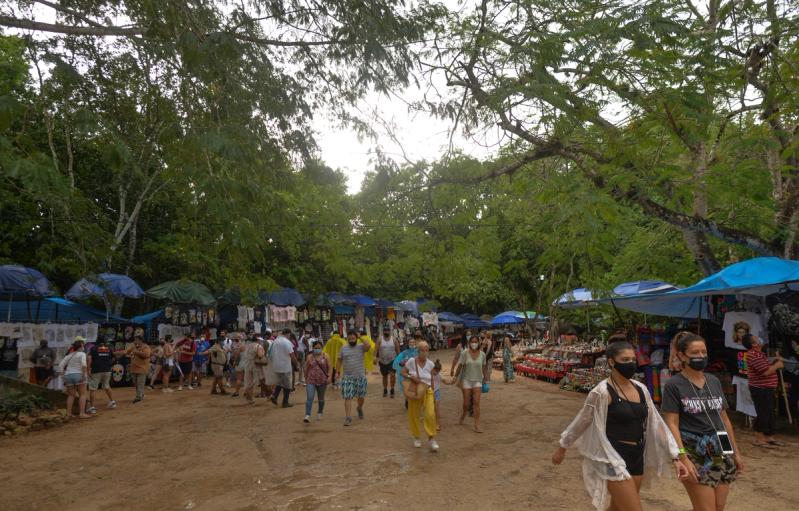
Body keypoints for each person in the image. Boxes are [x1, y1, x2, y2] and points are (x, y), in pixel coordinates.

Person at [551, 341, 688, 511]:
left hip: (637, 455)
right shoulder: (601, 392)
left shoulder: (641, 389)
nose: (631, 363)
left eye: (633, 359)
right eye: (625, 359)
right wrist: (562, 446)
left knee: (617, 508)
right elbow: (583, 420)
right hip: (612, 456)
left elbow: (655, 423)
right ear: (611, 361)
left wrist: (675, 456)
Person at [662, 332, 745, 511]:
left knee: (718, 506)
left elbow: (723, 418)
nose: (701, 356)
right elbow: (672, 424)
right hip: (693, 448)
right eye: (695, 353)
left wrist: (735, 452)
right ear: (682, 356)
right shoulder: (674, 385)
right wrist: (683, 457)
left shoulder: (714, 381)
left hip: (721, 444)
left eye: (704, 352)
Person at [743, 334, 784, 448]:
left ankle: (769, 437)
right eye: (757, 339)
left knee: (769, 413)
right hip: (760, 389)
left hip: (766, 388)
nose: (760, 339)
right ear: (753, 344)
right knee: (763, 413)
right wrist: (777, 365)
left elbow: (765, 367)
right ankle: (759, 438)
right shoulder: (753, 355)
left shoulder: (759, 354)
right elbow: (765, 372)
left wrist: (775, 361)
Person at [401, 341, 439, 452]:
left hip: (427, 391)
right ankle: (416, 437)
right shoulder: (412, 361)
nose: (424, 352)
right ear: (418, 351)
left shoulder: (431, 364)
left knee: (430, 414)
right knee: (413, 414)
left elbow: (431, 379)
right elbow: (403, 372)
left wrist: (434, 392)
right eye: (422, 350)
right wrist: (410, 376)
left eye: (426, 350)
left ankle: (431, 438)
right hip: (415, 391)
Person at [453, 334, 488, 432]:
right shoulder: (465, 353)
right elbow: (460, 365)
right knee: (466, 403)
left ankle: (477, 425)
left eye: (475, 342)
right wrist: (455, 377)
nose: (474, 344)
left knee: (476, 403)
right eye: (472, 342)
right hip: (466, 380)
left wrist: (485, 378)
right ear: (469, 343)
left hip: (477, 380)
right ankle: (463, 415)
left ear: (479, 343)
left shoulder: (482, 354)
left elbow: (484, 367)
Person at [335, 330, 370, 426]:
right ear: (347, 339)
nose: (351, 339)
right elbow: (339, 360)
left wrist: (361, 337)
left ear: (356, 338)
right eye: (349, 338)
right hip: (347, 377)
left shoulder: (361, 347)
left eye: (353, 337)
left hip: (360, 376)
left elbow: (368, 346)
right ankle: (348, 417)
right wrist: (337, 372)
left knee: (361, 397)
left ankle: (359, 408)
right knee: (348, 397)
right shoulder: (343, 348)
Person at [58, 337, 91, 420]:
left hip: (68, 375)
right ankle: (82, 413)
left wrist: (63, 376)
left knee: (71, 395)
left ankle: (69, 413)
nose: (84, 347)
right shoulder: (82, 354)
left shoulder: (69, 355)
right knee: (82, 395)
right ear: (80, 347)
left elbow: (61, 365)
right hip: (79, 374)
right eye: (83, 346)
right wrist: (83, 375)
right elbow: (84, 365)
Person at [86, 337, 117, 413]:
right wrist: (109, 364)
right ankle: (112, 402)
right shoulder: (108, 348)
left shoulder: (93, 348)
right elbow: (113, 358)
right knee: (106, 386)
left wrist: (88, 369)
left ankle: (92, 407)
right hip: (107, 370)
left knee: (93, 388)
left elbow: (89, 358)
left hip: (96, 370)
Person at [269, 329, 297, 407]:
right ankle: (285, 402)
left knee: (280, 382)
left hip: (276, 365)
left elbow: (270, 353)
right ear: (288, 334)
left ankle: (274, 396)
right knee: (287, 384)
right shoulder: (287, 342)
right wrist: (296, 364)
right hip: (285, 366)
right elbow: (292, 354)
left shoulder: (275, 341)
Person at [304, 340, 330, 422]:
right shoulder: (309, 356)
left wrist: (329, 377)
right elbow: (306, 368)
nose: (317, 349)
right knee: (310, 397)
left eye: (319, 348)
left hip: (322, 380)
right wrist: (306, 378)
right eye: (316, 348)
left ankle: (320, 412)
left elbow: (330, 367)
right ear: (313, 348)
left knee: (321, 398)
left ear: (322, 348)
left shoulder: (326, 356)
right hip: (311, 380)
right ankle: (307, 415)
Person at [375, 326, 400, 398]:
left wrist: (399, 360)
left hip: (392, 360)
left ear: (390, 331)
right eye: (385, 331)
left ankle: (392, 389)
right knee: (385, 376)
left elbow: (398, 350)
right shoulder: (380, 339)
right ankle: (385, 389)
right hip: (382, 361)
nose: (386, 332)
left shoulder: (394, 339)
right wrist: (374, 358)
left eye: (387, 331)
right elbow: (376, 349)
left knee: (392, 375)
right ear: (383, 332)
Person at [126, 336, 152, 404]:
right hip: (134, 369)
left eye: (136, 340)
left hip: (142, 369)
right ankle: (141, 394)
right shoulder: (134, 347)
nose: (135, 341)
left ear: (141, 340)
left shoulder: (146, 347)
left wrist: (136, 352)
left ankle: (138, 397)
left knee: (140, 383)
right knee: (136, 383)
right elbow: (127, 352)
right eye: (135, 340)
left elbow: (147, 355)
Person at [240, 335, 265, 404]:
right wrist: (263, 353)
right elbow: (260, 355)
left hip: (247, 364)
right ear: (258, 340)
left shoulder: (247, 346)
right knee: (258, 380)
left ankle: (249, 398)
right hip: (255, 365)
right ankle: (251, 398)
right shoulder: (258, 346)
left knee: (248, 382)